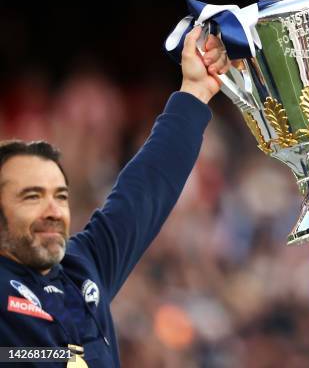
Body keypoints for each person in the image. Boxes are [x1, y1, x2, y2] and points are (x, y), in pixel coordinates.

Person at [0, 26, 230, 367]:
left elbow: (145, 187)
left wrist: (194, 91)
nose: (53, 210)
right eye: (32, 197)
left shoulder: (82, 267)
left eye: (61, 197)